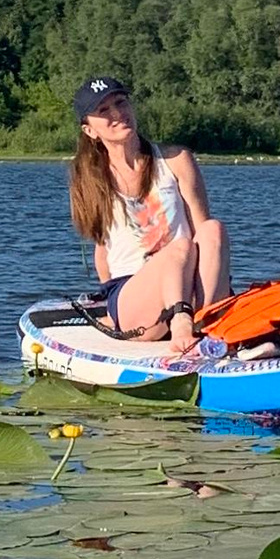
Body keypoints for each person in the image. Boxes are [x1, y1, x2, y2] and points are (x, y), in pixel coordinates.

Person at [68, 76, 232, 353]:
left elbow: (203, 234)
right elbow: (102, 250)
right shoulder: (90, 179)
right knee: (178, 247)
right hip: (135, 297)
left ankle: (208, 321)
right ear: (90, 130)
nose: (118, 113)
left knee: (213, 229)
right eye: (104, 110)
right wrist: (110, 309)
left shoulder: (176, 160)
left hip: (188, 282)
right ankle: (181, 324)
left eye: (121, 102)